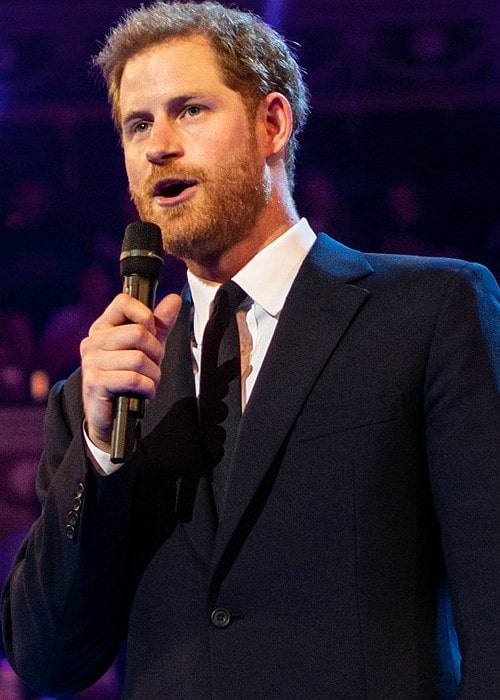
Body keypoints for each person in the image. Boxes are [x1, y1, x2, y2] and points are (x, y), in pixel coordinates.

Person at [1, 2, 499, 698]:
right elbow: (48, 660)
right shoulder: (97, 393)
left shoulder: (431, 313)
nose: (158, 146)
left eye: (190, 111)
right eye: (137, 124)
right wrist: (101, 450)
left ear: (273, 122)